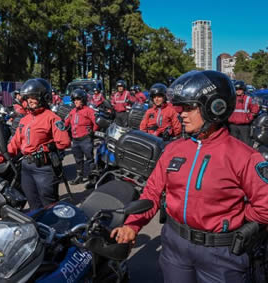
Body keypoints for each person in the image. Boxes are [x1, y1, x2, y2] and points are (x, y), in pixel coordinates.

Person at [111, 70, 268, 283]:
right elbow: (153, 191)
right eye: (180, 108)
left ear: (216, 107)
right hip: (175, 248)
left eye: (189, 108)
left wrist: (237, 220)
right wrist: (132, 225)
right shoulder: (174, 150)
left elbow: (264, 206)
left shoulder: (245, 157)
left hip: (221, 253)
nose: (181, 114)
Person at [0, 78, 70, 210]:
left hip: (44, 168)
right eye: (27, 97)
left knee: (49, 204)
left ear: (43, 97)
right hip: (26, 167)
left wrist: (47, 146)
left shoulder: (53, 118)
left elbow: (64, 142)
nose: (29, 101)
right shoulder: (25, 120)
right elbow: (13, 145)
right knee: (32, 201)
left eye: (33, 97)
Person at [64, 89, 98, 185]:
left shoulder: (89, 111)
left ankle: (92, 178)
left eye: (78, 99)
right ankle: (79, 176)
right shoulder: (72, 112)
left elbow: (96, 122)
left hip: (85, 139)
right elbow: (65, 123)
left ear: (83, 100)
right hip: (75, 140)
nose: (76, 102)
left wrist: (92, 132)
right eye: (74, 100)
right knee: (78, 160)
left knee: (89, 159)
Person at [228, 80, 260, 146]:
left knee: (246, 144)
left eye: (240, 89)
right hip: (232, 125)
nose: (238, 91)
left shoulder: (249, 98)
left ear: (243, 89)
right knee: (233, 144)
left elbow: (255, 108)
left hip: (244, 126)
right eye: (236, 89)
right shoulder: (231, 98)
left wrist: (249, 117)